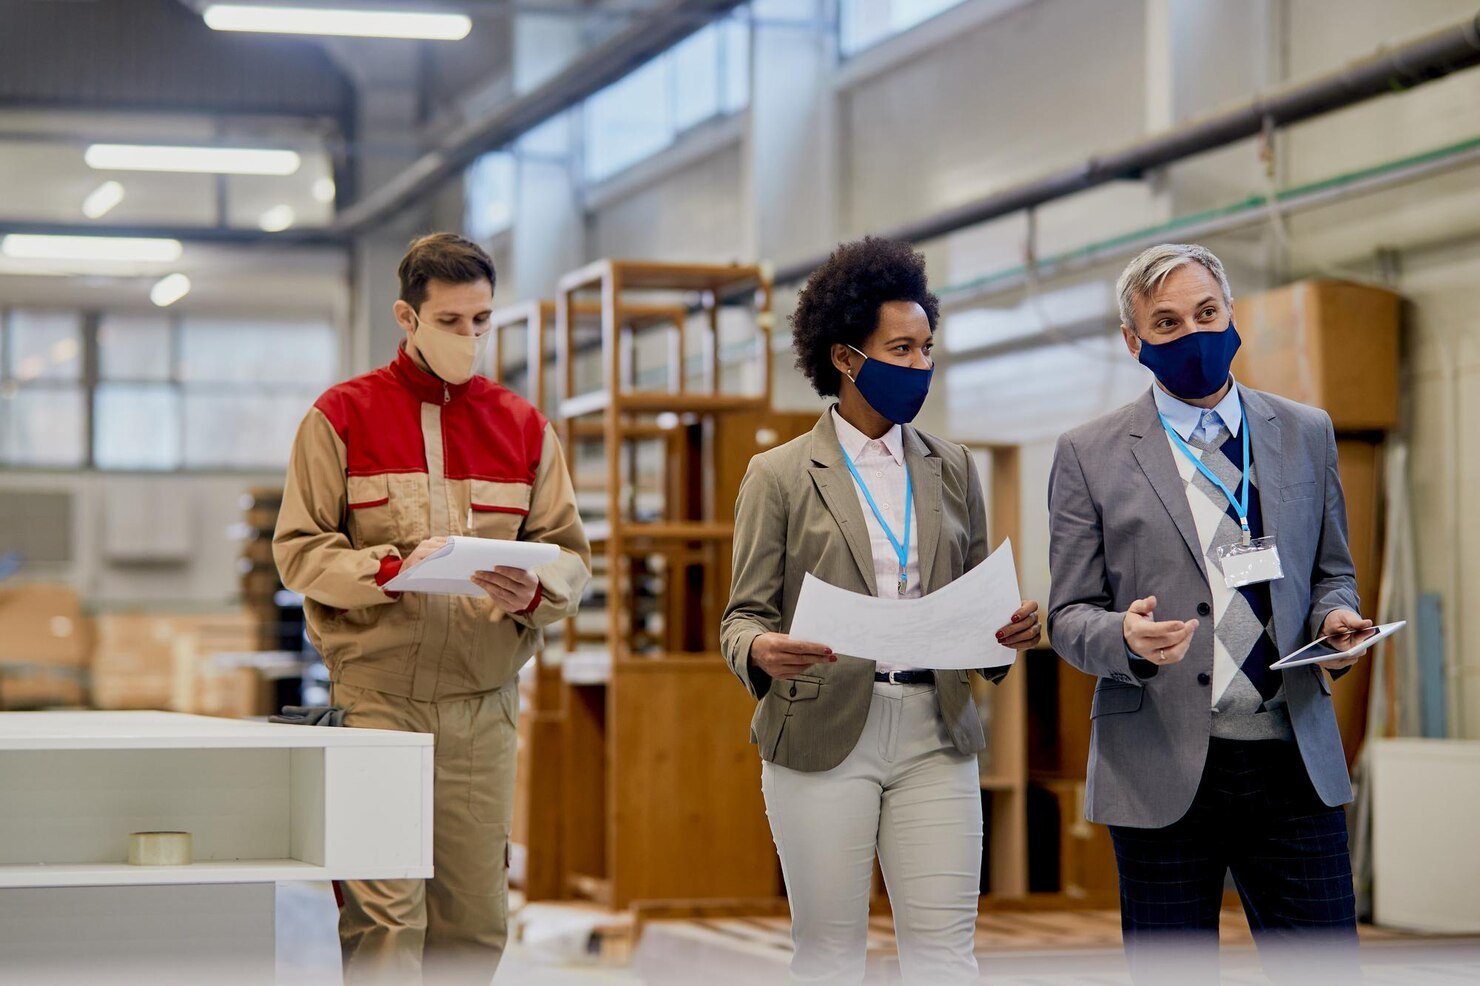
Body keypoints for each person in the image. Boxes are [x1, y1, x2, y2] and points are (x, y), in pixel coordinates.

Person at [1046, 242, 1370, 983]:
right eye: (1166, 322)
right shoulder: (1089, 453)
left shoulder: (1305, 431)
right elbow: (1067, 614)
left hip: (1293, 760)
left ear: (1231, 314)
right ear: (1133, 341)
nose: (1193, 333)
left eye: (1206, 312)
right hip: (1160, 764)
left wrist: (1335, 619)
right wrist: (1124, 637)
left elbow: (1333, 572)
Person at [721, 236, 1040, 984]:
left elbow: (973, 601)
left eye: (927, 349)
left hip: (938, 729)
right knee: (830, 957)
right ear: (845, 357)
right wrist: (760, 650)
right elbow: (742, 617)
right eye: (901, 349)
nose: (919, 366)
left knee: (946, 958)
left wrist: (1007, 630)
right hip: (823, 727)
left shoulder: (952, 466)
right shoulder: (778, 475)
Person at [273, 233, 590, 984]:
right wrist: (388, 571)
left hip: (482, 708)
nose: (469, 337)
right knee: (386, 920)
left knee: (471, 924)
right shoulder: (339, 417)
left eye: (481, 320)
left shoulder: (524, 427)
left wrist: (537, 591)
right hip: (376, 702)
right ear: (407, 317)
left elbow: (570, 555)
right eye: (450, 321)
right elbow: (299, 551)